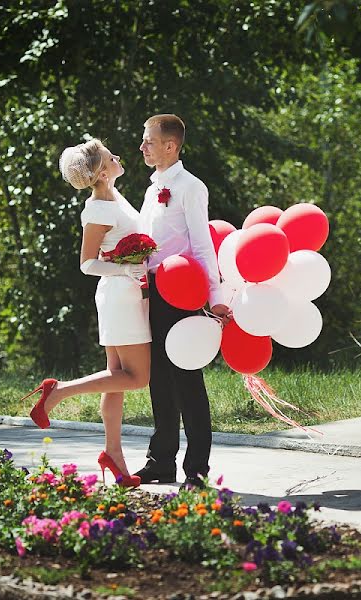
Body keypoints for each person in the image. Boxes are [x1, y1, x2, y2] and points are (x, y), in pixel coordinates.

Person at [22, 138, 151, 488]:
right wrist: (125, 270)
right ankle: (59, 391)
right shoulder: (96, 208)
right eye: (112, 155)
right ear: (102, 170)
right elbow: (87, 263)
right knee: (137, 377)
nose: (119, 156)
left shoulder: (115, 197)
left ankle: (114, 456)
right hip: (119, 296)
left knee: (116, 378)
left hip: (127, 293)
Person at [133, 114, 230, 488]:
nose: (143, 147)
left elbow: (203, 245)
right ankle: (160, 462)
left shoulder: (191, 187)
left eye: (149, 142)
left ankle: (197, 470)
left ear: (170, 146)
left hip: (183, 290)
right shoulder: (151, 187)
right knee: (158, 377)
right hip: (154, 290)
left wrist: (216, 297)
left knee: (186, 378)